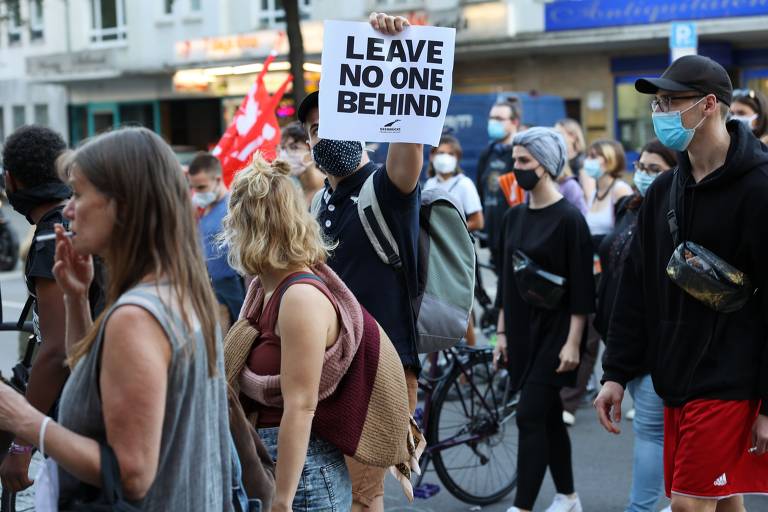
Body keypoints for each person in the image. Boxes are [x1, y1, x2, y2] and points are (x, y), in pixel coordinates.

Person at [0, 127, 232, 509]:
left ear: (121, 205)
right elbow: (96, 383)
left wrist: (26, 423)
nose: (68, 208)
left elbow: (132, 472)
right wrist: (76, 299)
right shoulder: (179, 289)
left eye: (77, 193)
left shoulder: (136, 317)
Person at [595, 55, 768, 512]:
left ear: (709, 104)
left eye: (672, 100)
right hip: (675, 375)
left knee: (688, 504)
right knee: (724, 499)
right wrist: (615, 372)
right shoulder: (663, 190)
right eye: (658, 102)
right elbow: (634, 288)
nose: (660, 111)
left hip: (733, 378)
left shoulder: (760, 188)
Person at [299, 12, 423, 512]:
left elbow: (410, 142)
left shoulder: (386, 186)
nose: (320, 136)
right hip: (329, 365)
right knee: (335, 491)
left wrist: (399, 54)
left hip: (379, 364)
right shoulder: (316, 204)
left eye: (329, 121)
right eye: (311, 130)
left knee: (361, 496)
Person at [493, 127, 594, 512]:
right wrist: (501, 333)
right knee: (549, 417)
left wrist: (573, 342)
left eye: (524, 161)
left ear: (546, 165)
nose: (516, 168)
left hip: (557, 333)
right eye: (515, 160)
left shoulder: (570, 220)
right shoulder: (513, 216)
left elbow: (583, 290)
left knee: (530, 415)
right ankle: (568, 497)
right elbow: (506, 279)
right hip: (520, 330)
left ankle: (522, 507)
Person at [0, 126, 102, 504]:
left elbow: (57, 349)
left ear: (11, 179)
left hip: (75, 416)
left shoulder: (51, 236)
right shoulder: (73, 224)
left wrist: (21, 447)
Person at [594, 139, 676, 512]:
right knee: (652, 433)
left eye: (654, 169)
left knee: (653, 433)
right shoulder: (630, 207)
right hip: (628, 340)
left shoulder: (674, 211)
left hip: (658, 344)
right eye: (641, 167)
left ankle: (643, 508)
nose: (644, 175)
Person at [560, 138, 632, 426]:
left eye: (597, 156)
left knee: (615, 334)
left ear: (612, 160)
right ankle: (570, 400)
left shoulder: (620, 190)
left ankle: (628, 388)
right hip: (592, 272)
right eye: (589, 155)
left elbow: (625, 235)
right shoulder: (594, 192)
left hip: (612, 274)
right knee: (590, 336)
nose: (591, 161)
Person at [424, 134, 484, 345]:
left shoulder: (464, 184)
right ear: (431, 156)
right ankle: (434, 363)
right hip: (434, 252)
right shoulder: (430, 183)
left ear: (457, 157)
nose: (445, 158)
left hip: (458, 252)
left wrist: (453, 229)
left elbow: (478, 220)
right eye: (440, 153)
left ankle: (470, 351)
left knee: (458, 306)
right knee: (434, 306)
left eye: (450, 154)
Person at [188, 151, 245, 332]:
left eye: (202, 187)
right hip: (214, 286)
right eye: (194, 187)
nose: (197, 193)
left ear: (218, 180)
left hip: (235, 283)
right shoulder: (204, 211)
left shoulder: (233, 208)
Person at [476, 96, 525, 268]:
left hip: (515, 236)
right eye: (491, 118)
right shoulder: (487, 154)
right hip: (492, 234)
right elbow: (480, 192)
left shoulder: (522, 155)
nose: (493, 122)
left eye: (499, 119)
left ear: (514, 122)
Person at [279, 122, 325, 207]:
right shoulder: (292, 193)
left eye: (294, 147)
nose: (284, 154)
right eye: (282, 148)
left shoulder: (328, 188)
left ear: (311, 148)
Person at [555, 119, 591, 200]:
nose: (555, 137)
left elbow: (589, 194)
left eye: (559, 134)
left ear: (573, 137)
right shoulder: (559, 159)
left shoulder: (582, 162)